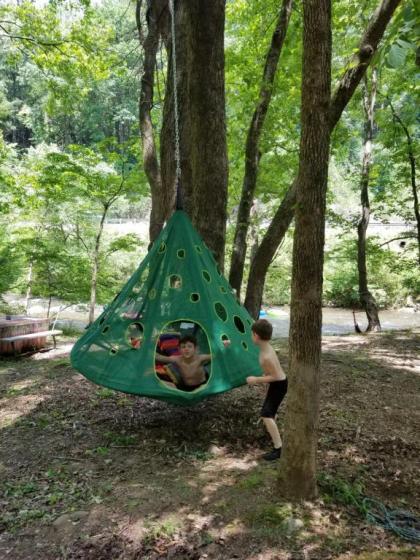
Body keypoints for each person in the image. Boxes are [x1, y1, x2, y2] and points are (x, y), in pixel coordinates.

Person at [247, 319, 288, 461]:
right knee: (270, 412)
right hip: (278, 383)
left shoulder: (267, 356)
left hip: (280, 384)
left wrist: (256, 379)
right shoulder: (266, 348)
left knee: (266, 414)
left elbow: (276, 376)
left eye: (252, 334)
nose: (251, 336)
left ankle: (279, 449)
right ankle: (272, 434)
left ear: (256, 336)